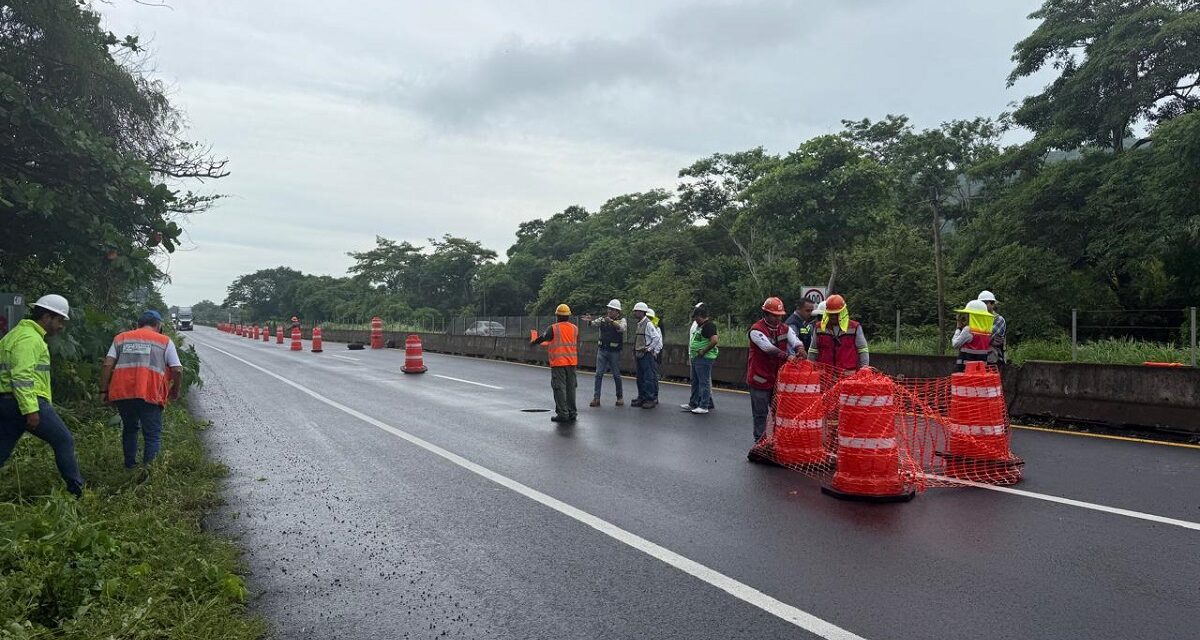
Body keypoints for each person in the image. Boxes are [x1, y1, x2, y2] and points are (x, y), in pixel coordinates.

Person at [0, 295, 85, 497]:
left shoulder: (16, 334)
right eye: (60, 320)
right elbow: (21, 376)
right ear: (47, 317)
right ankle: (77, 491)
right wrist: (31, 410)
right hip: (27, 401)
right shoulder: (30, 339)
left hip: (7, 401)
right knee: (63, 440)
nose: (61, 326)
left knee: (2, 448)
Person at [99, 310, 184, 469]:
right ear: (158, 325)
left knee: (130, 429)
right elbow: (177, 370)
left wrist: (103, 391)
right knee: (152, 435)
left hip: (123, 393)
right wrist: (175, 391)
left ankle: (129, 466)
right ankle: (148, 473)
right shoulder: (164, 341)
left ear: (137, 325)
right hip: (150, 393)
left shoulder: (121, 338)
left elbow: (107, 364)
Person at [747, 297, 803, 443]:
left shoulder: (785, 328)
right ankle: (759, 441)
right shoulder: (756, 330)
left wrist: (800, 348)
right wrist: (788, 357)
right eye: (774, 315)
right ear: (765, 313)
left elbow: (795, 340)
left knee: (779, 412)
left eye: (779, 315)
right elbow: (768, 348)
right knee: (760, 413)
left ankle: (778, 440)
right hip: (759, 379)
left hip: (777, 379)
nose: (777, 318)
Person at [530, 304, 579, 423]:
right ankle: (572, 412)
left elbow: (544, 337)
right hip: (572, 362)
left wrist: (534, 342)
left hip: (559, 363)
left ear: (557, 316)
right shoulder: (575, 328)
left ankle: (563, 414)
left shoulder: (553, 328)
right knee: (571, 388)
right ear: (568, 316)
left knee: (559, 388)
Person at [807, 294, 868, 372]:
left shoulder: (854, 327)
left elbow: (862, 350)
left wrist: (864, 369)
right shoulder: (819, 328)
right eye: (831, 314)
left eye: (836, 314)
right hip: (825, 376)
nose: (833, 316)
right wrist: (809, 369)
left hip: (848, 376)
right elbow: (813, 350)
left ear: (843, 312)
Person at [582, 299, 626, 407]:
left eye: (612, 309)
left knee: (616, 375)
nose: (609, 311)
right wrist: (589, 321)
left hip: (614, 352)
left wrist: (611, 321)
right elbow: (593, 324)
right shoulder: (602, 319)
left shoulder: (622, 320)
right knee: (598, 374)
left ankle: (620, 397)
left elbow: (622, 328)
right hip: (602, 350)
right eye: (609, 309)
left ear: (617, 312)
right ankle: (596, 398)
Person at [681, 303, 719, 414]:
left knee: (704, 382)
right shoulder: (699, 326)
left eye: (696, 318)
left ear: (700, 316)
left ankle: (704, 405)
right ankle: (693, 403)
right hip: (696, 357)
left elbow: (714, 340)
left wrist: (703, 351)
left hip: (704, 358)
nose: (695, 320)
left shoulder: (709, 326)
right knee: (695, 382)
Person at [631, 302, 663, 409]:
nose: (635, 313)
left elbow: (656, 337)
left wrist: (649, 348)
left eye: (636, 311)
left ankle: (650, 399)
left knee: (648, 377)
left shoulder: (648, 324)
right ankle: (642, 397)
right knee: (640, 377)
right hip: (639, 354)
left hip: (646, 355)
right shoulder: (639, 323)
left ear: (642, 312)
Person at [953, 299, 994, 372]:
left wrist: (958, 328)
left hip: (965, 370)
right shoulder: (987, 331)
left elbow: (955, 344)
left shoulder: (968, 330)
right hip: (980, 370)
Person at [978, 290, 1006, 365]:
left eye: (985, 303)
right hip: (977, 357)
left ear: (992, 304)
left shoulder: (999, 319)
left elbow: (986, 337)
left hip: (992, 358)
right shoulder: (976, 318)